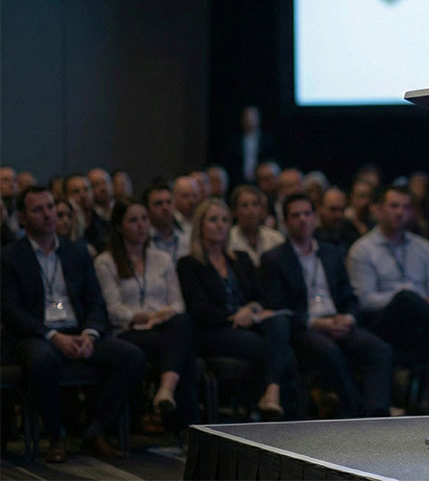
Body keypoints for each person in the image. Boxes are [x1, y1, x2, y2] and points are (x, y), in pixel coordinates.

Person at [1, 186, 145, 462]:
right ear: (21, 217)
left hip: (78, 330)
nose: (48, 215)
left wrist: (90, 334)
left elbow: (95, 302)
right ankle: (56, 437)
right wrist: (53, 335)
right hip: (37, 334)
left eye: (50, 208)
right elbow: (11, 311)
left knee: (132, 357)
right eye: (38, 210)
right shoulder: (9, 257)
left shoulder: (77, 252)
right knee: (41, 360)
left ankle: (96, 430)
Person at [262, 193, 393, 417]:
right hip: (305, 328)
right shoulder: (274, 259)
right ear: (285, 222)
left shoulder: (331, 253)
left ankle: (377, 413)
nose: (303, 219)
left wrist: (349, 317)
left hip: (337, 319)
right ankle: (354, 412)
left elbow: (349, 297)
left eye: (307, 213)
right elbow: (277, 308)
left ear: (315, 217)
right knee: (329, 351)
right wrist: (316, 323)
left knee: (380, 349)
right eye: (296, 215)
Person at [176, 198, 295, 420]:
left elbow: (260, 297)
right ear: (200, 225)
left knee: (280, 322)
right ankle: (273, 408)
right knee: (281, 353)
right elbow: (199, 309)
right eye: (213, 220)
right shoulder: (189, 264)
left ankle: (270, 396)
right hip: (213, 331)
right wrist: (234, 317)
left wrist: (250, 310)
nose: (220, 225)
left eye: (224, 220)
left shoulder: (241, 258)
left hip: (248, 324)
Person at [95, 198, 197, 431]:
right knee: (184, 349)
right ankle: (184, 427)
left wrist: (162, 316)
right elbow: (113, 309)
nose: (141, 225)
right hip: (128, 332)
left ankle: (165, 393)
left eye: (144, 219)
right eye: (133, 220)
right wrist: (146, 316)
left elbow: (178, 303)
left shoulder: (161, 258)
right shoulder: (106, 262)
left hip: (165, 327)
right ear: (119, 226)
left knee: (182, 323)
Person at [347, 185, 429, 412]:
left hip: (420, 325)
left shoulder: (422, 247)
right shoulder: (363, 249)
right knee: (406, 297)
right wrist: (405, 295)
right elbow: (366, 300)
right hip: (383, 326)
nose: (400, 212)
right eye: (394, 206)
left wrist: (421, 303)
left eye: (405, 207)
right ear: (378, 210)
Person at [227, 184, 285, 268]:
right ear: (234, 211)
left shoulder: (276, 238)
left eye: (255, 204)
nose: (251, 210)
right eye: (244, 205)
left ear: (262, 209)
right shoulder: (227, 240)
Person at [143, 184, 190, 263]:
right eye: (158, 203)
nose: (165, 207)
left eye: (169, 202)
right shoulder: (142, 243)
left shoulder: (186, 240)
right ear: (147, 209)